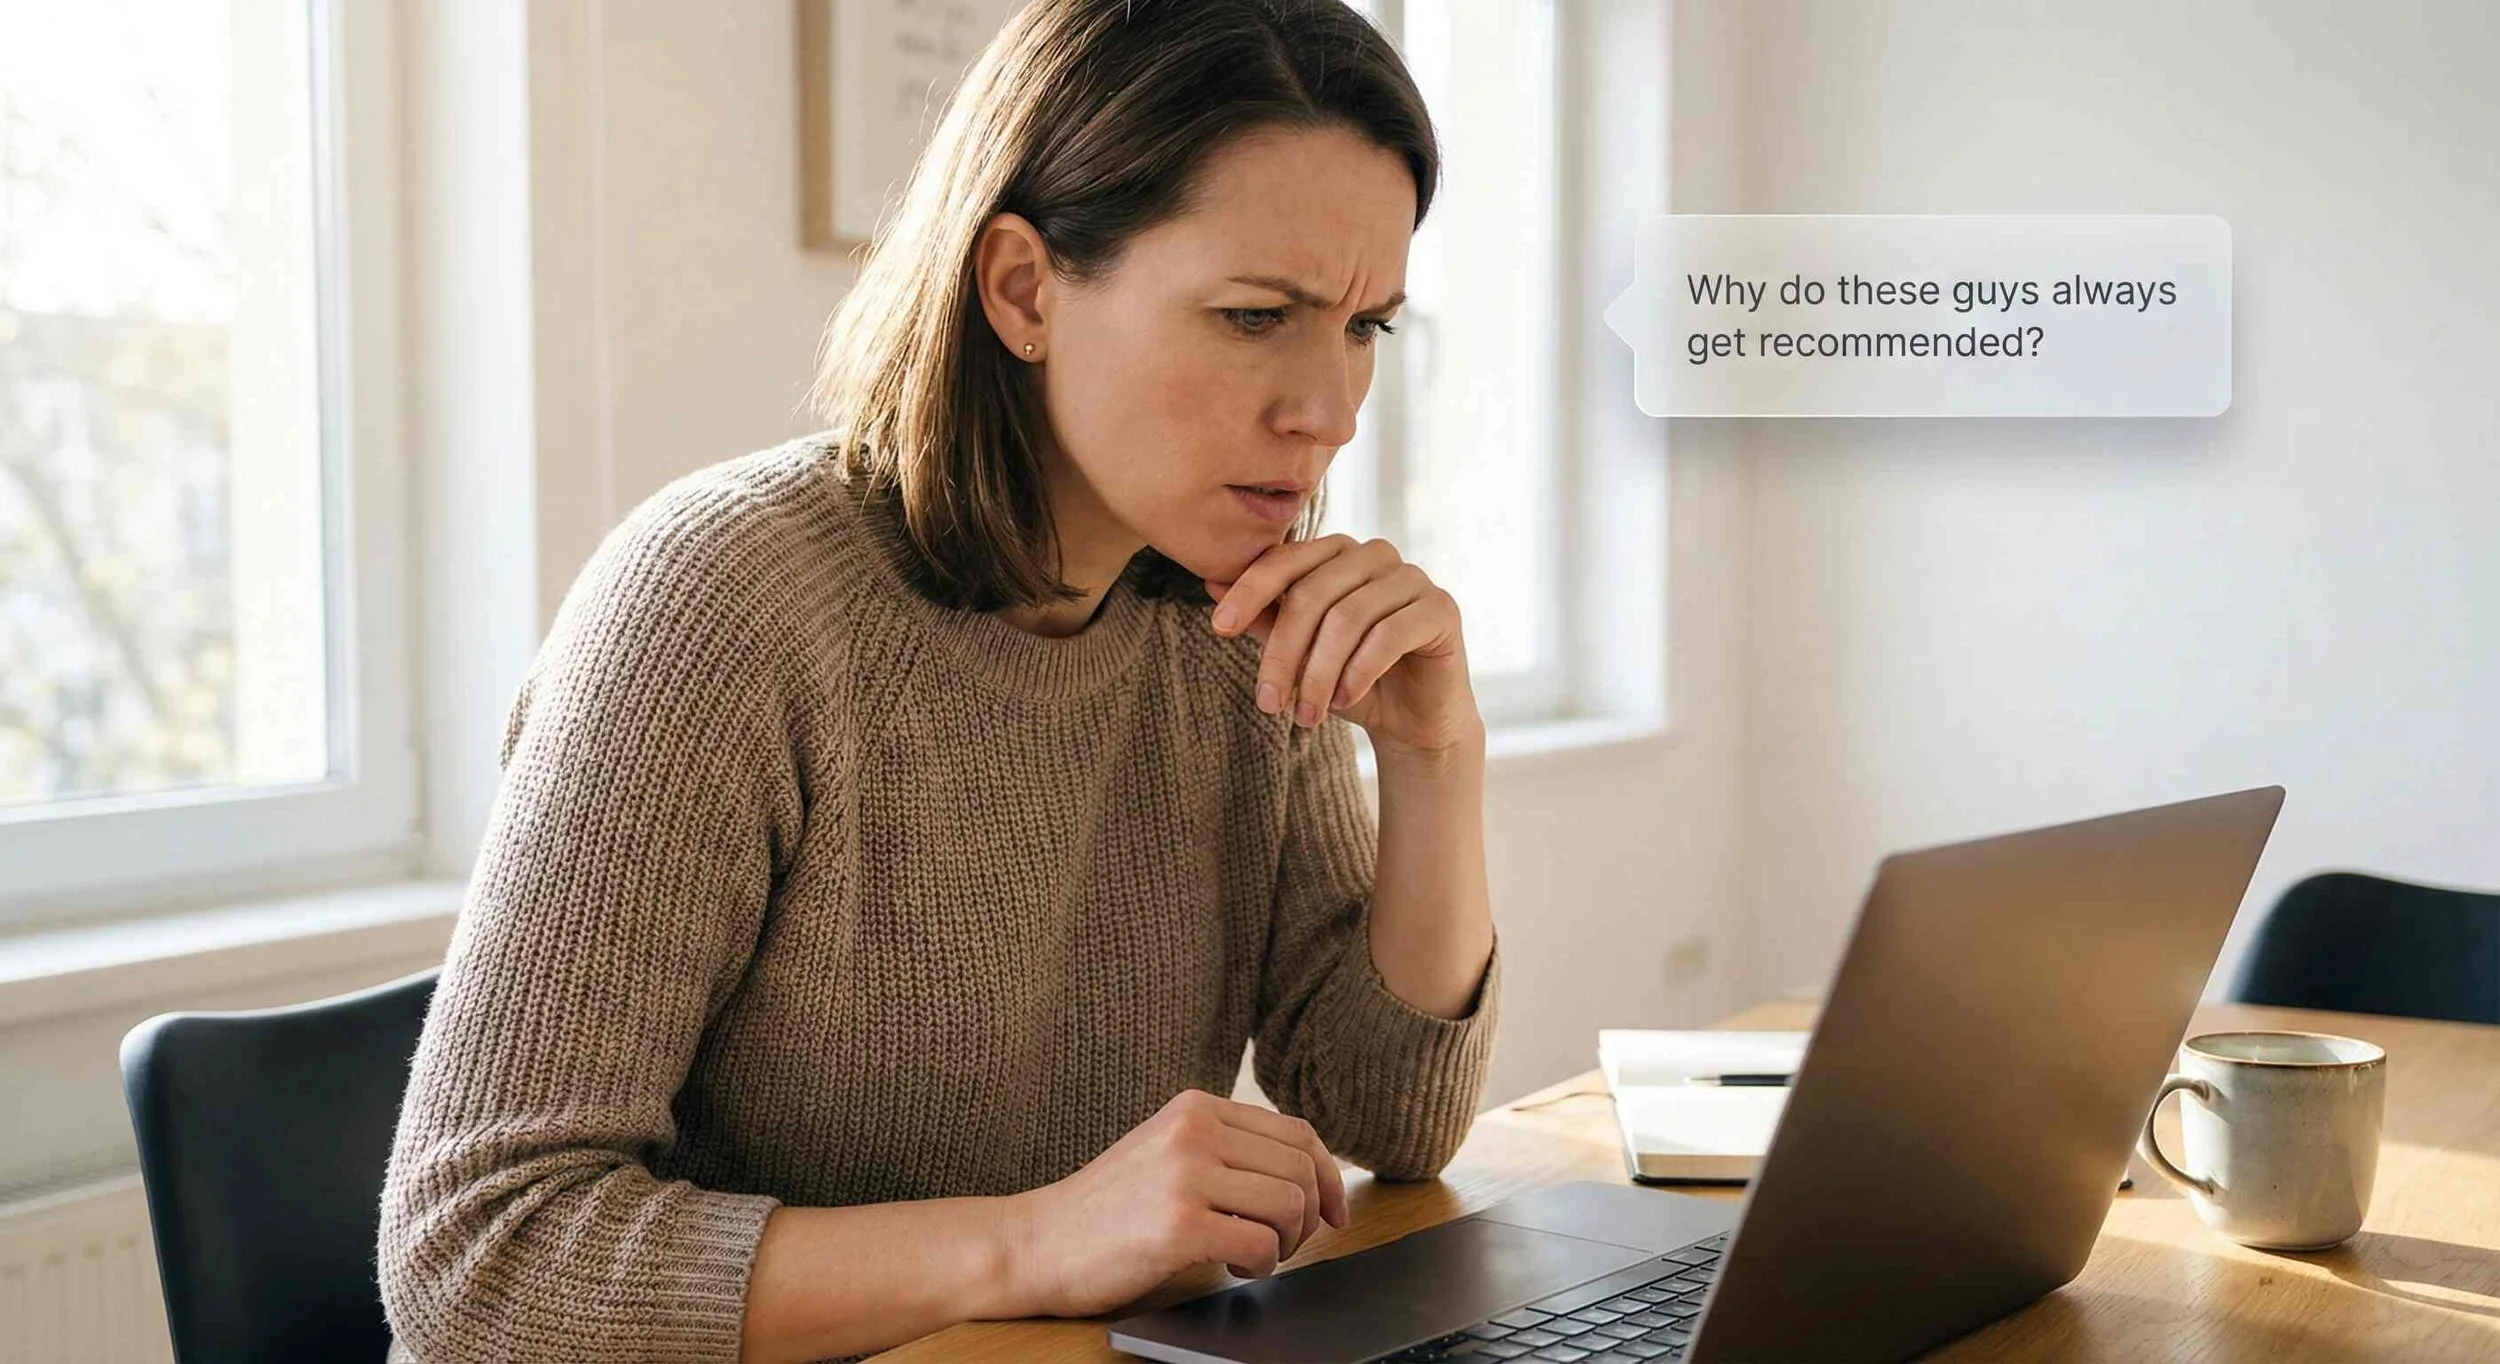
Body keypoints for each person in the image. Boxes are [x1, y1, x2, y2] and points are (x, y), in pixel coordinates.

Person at [377, 2, 1498, 1360]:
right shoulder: (719, 605)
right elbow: (482, 1260)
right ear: (1024, 289)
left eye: (1367, 323)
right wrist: (1035, 1239)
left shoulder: (1238, 613)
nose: (1328, 409)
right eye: (1256, 316)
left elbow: (1395, 1120)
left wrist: (1435, 760)